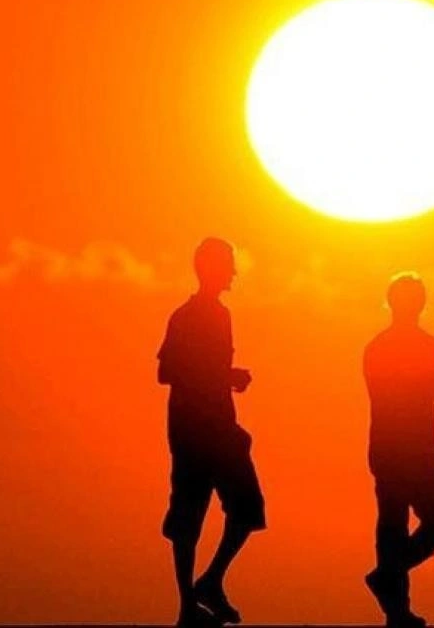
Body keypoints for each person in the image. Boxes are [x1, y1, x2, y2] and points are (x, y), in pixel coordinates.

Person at [156, 238, 265, 627]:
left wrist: (224, 379)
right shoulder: (187, 317)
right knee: (189, 517)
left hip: (218, 428)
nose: (233, 272)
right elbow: (166, 371)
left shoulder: (221, 315)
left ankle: (209, 583)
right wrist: (225, 376)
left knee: (246, 509)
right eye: (228, 265)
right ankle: (189, 604)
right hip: (195, 432)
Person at [363, 272, 434, 628]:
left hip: (387, 446)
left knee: (392, 524)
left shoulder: (376, 346)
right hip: (413, 448)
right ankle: (392, 590)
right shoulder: (426, 345)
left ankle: (394, 602)